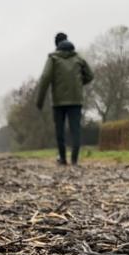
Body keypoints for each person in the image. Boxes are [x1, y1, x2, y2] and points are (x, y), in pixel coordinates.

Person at [36, 32, 93, 166]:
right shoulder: (79, 58)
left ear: (57, 45)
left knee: (60, 130)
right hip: (76, 100)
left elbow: (45, 78)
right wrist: (79, 83)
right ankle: (74, 160)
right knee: (75, 130)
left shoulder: (53, 58)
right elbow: (90, 75)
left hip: (58, 101)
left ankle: (62, 158)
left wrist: (40, 100)